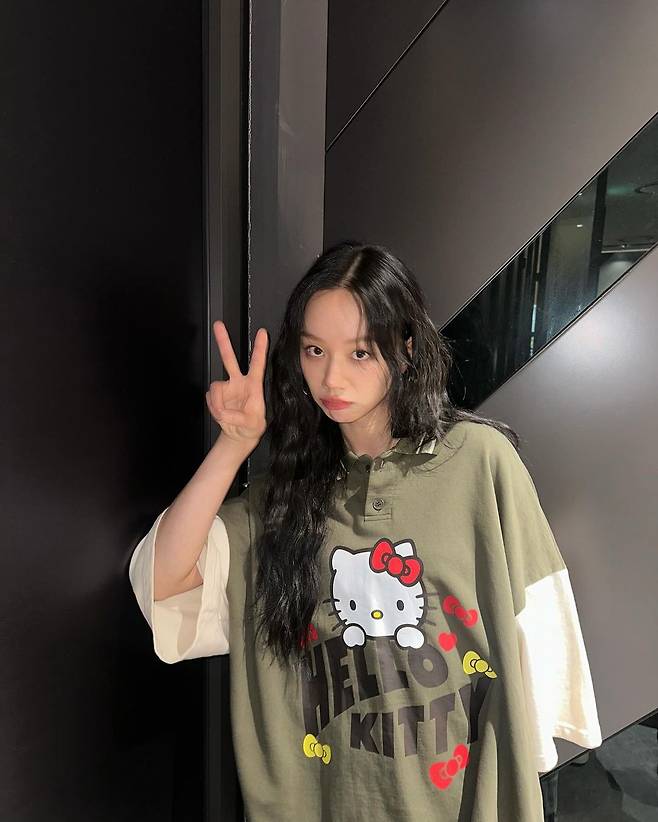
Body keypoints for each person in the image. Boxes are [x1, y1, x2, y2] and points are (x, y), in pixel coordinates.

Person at [128, 240, 603, 821]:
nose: (331, 377)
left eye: (360, 352)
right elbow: (164, 583)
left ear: (405, 350)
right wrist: (234, 446)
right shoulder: (280, 501)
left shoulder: (479, 461)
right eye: (314, 350)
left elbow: (541, 622)